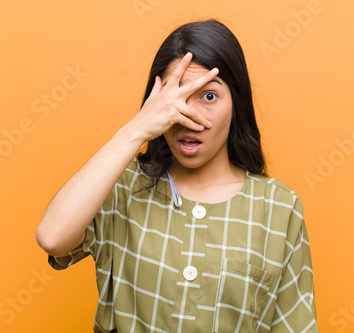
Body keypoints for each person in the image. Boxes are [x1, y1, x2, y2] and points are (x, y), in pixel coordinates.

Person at [36, 19, 320, 332]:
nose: (190, 117)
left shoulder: (279, 208)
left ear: (236, 103)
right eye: (177, 97)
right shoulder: (123, 186)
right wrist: (136, 129)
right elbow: (53, 238)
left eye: (209, 96)